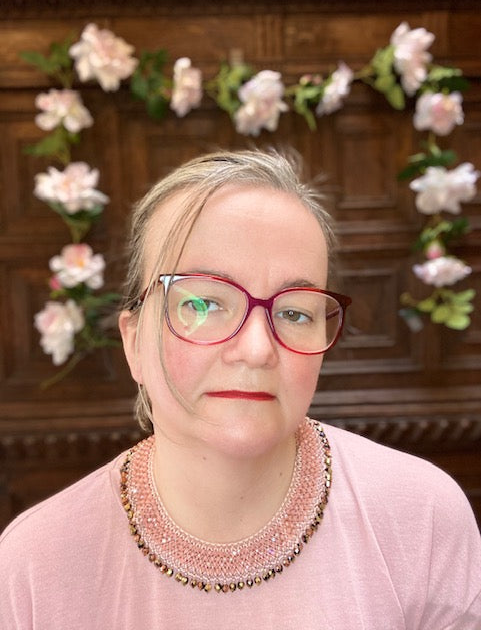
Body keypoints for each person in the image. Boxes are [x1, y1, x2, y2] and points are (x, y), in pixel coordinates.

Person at [1, 149, 480, 630]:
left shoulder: (423, 518)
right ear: (133, 343)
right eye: (204, 304)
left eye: (294, 312)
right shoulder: (34, 566)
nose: (256, 349)